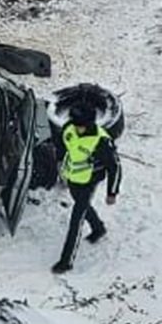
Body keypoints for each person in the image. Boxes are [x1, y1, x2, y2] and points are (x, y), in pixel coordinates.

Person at [52, 103, 122, 274]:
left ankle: (66, 261)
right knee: (81, 205)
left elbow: (115, 167)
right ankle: (98, 228)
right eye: (75, 125)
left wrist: (111, 193)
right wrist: (60, 163)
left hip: (89, 182)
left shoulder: (101, 141)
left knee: (76, 219)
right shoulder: (71, 127)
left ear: (89, 124)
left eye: (80, 127)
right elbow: (63, 144)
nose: (76, 129)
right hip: (73, 178)